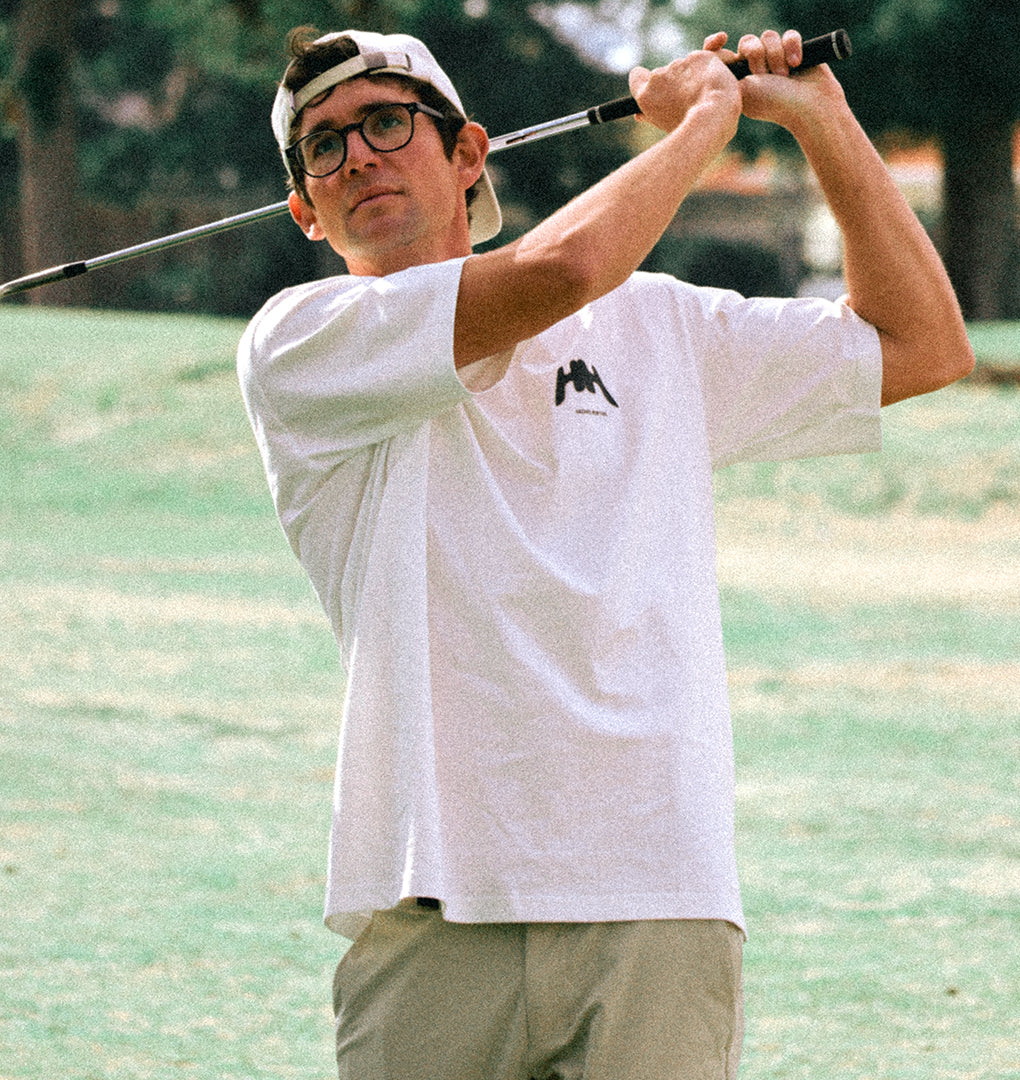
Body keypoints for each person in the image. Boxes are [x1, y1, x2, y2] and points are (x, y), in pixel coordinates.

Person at [238, 24, 974, 1080]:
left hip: (657, 897)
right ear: (307, 212)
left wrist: (822, 118)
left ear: (468, 156)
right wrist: (705, 123)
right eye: (323, 147)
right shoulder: (298, 342)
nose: (357, 155)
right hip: (433, 909)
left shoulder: (658, 328)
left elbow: (921, 344)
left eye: (388, 122)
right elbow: (566, 265)